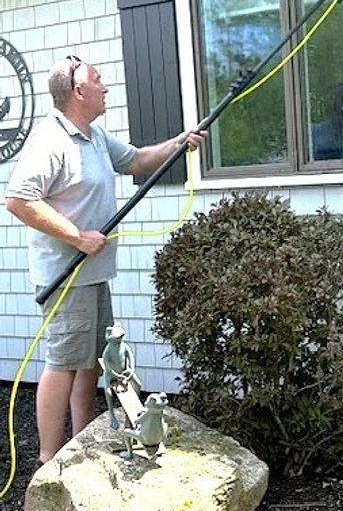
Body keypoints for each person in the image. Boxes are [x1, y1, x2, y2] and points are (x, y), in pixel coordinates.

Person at [4, 55, 206, 464]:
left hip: (94, 273)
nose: (105, 86)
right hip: (68, 276)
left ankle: (83, 442)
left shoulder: (93, 136)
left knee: (91, 363)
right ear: (78, 91)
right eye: (98, 80)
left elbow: (136, 160)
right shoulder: (51, 141)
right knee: (62, 364)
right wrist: (76, 236)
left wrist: (179, 142)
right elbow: (18, 200)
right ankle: (49, 459)